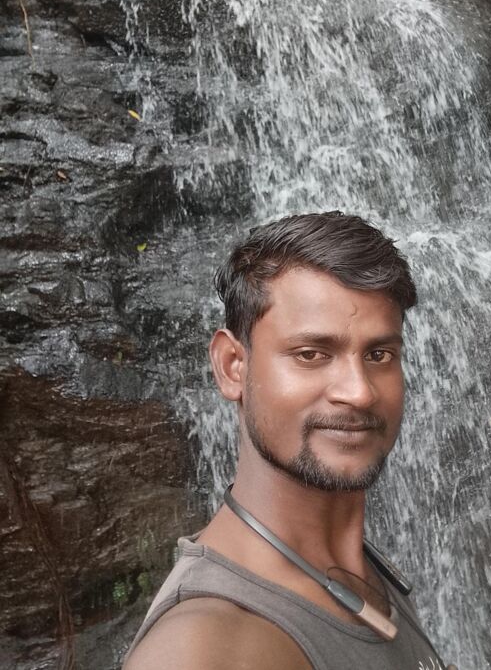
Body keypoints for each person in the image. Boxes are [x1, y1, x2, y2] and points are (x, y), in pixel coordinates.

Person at [124, 211, 455, 670]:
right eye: (311, 354)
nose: (359, 392)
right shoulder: (205, 647)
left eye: (379, 354)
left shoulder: (362, 571)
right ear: (232, 366)